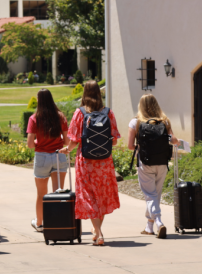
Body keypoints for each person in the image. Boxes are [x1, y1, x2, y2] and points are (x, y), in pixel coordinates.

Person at [59, 81, 120, 246]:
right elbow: (114, 142)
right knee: (101, 195)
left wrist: (67, 149)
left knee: (88, 195)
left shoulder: (79, 113)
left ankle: (98, 233)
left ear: (84, 93)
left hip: (86, 161)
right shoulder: (109, 113)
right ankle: (97, 229)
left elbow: (73, 140)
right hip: (104, 162)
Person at [127, 94, 178, 239]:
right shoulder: (165, 121)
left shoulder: (135, 122)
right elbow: (173, 140)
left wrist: (142, 145)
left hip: (145, 162)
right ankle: (149, 227)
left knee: (150, 195)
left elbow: (130, 146)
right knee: (156, 193)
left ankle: (158, 221)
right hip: (162, 162)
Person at [26, 89, 69, 232]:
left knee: (41, 194)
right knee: (58, 192)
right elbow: (67, 141)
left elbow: (30, 144)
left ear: (39, 101)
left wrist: (40, 141)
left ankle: (39, 223)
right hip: (59, 156)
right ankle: (59, 222)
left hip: (42, 157)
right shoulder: (60, 117)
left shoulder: (34, 118)